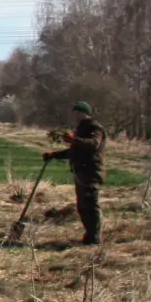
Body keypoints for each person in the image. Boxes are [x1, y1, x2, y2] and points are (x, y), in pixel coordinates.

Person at [45, 101, 106, 245]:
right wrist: (54, 154)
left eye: (79, 113)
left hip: (91, 171)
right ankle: (89, 235)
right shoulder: (80, 129)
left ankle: (95, 238)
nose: (77, 116)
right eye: (75, 113)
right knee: (82, 206)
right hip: (80, 171)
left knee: (91, 204)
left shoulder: (95, 127)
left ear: (87, 113)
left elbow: (94, 144)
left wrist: (74, 139)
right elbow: (74, 151)